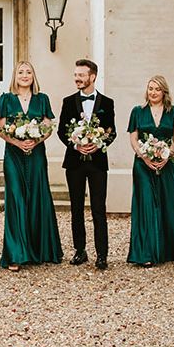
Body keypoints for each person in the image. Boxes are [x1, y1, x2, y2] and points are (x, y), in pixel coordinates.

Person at [0, 61, 62, 270]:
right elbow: (0, 128)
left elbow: (48, 126)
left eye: (28, 72)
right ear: (14, 77)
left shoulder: (42, 99)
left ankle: (41, 250)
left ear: (33, 76)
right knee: (16, 199)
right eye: (20, 72)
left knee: (37, 198)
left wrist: (35, 140)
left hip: (36, 155)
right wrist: (17, 142)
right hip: (13, 156)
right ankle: (16, 254)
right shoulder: (6, 99)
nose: (25, 76)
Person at [126, 75, 174, 266]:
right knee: (146, 203)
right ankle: (146, 253)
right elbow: (133, 137)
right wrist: (144, 156)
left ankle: (172, 249)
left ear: (164, 91)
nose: (153, 92)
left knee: (168, 202)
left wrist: (168, 155)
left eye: (157, 89)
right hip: (142, 164)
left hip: (166, 163)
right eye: (150, 88)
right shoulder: (137, 111)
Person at [58, 58, 116, 270]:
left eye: (81, 75)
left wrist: (98, 144)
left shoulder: (107, 103)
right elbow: (62, 131)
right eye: (75, 75)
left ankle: (102, 255)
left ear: (92, 76)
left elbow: (112, 131)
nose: (77, 78)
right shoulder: (68, 101)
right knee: (76, 208)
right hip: (74, 163)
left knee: (99, 209)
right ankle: (80, 251)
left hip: (98, 163)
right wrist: (76, 146)